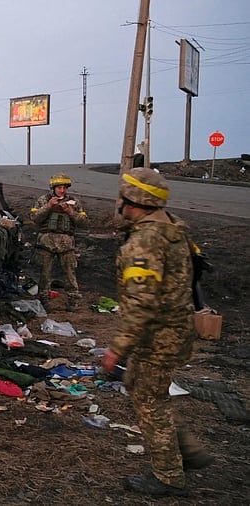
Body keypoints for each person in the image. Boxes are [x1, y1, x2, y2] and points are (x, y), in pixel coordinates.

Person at [101, 168, 212, 497]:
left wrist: (117, 349)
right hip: (173, 330)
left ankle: (168, 476)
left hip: (157, 337)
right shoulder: (172, 228)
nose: (118, 204)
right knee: (143, 390)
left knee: (150, 403)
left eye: (122, 198)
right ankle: (188, 453)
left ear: (133, 201)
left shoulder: (145, 242)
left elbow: (142, 303)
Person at [30, 173, 88, 310]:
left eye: (64, 187)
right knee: (44, 273)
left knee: (70, 273)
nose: (62, 190)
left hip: (66, 243)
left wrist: (70, 212)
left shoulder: (74, 202)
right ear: (53, 188)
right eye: (59, 187)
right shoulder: (43, 200)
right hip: (46, 242)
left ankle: (73, 300)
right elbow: (34, 217)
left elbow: (84, 223)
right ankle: (43, 299)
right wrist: (48, 206)